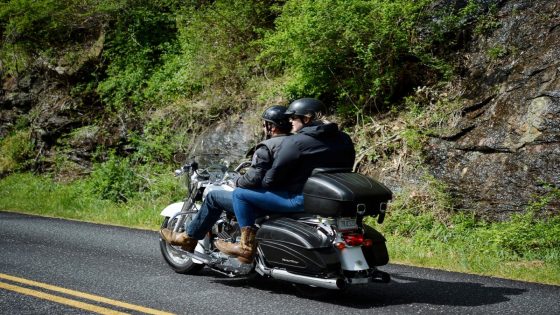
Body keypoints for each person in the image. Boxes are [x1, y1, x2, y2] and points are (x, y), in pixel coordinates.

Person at [215, 98, 355, 263]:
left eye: (294, 118)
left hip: (298, 199)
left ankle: (246, 247)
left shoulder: (296, 142)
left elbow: (271, 179)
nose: (290, 122)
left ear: (307, 118)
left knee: (240, 194)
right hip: (327, 199)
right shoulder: (344, 139)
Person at [159, 105, 292, 252]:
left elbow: (253, 179)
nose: (263, 127)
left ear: (272, 127)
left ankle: (189, 238)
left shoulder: (267, 147)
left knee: (213, 197)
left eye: (264, 124)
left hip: (264, 201)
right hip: (286, 197)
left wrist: (236, 181)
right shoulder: (296, 144)